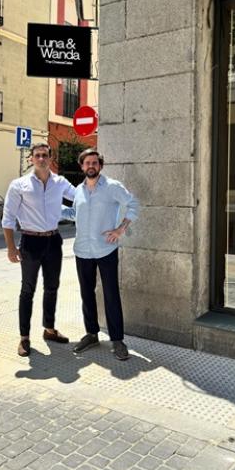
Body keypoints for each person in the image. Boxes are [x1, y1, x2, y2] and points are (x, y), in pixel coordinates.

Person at [64, 148, 139, 360]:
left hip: (106, 249)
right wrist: (51, 209)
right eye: (87, 163)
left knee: (111, 294)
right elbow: (75, 214)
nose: (91, 166)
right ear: (82, 166)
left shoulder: (112, 187)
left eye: (95, 162)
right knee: (86, 293)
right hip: (82, 250)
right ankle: (91, 334)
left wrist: (121, 228)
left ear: (100, 166)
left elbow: (133, 204)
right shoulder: (78, 190)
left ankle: (117, 340)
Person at [2, 143, 76, 357]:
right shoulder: (19, 185)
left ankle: (49, 329)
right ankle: (24, 337)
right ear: (31, 159)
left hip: (53, 241)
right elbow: (8, 218)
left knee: (52, 287)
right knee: (28, 290)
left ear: (51, 159)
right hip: (30, 242)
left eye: (45, 155)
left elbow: (80, 196)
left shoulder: (60, 183)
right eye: (38, 155)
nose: (41, 159)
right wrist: (11, 247)